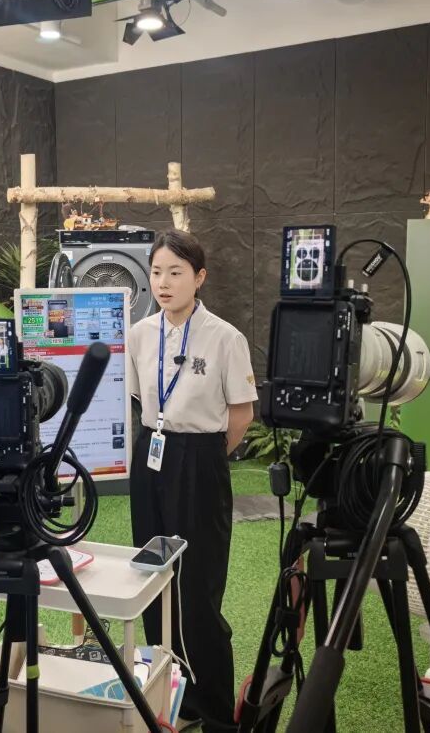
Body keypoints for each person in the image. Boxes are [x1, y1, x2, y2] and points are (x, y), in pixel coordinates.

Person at [126, 229, 256, 732]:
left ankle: (213, 710)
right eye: (157, 272)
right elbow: (141, 400)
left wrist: (204, 461)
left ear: (199, 278)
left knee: (198, 587)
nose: (163, 282)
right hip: (152, 455)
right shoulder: (139, 334)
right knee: (151, 575)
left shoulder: (225, 338)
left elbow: (241, 415)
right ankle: (168, 700)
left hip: (201, 459)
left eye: (176, 272)